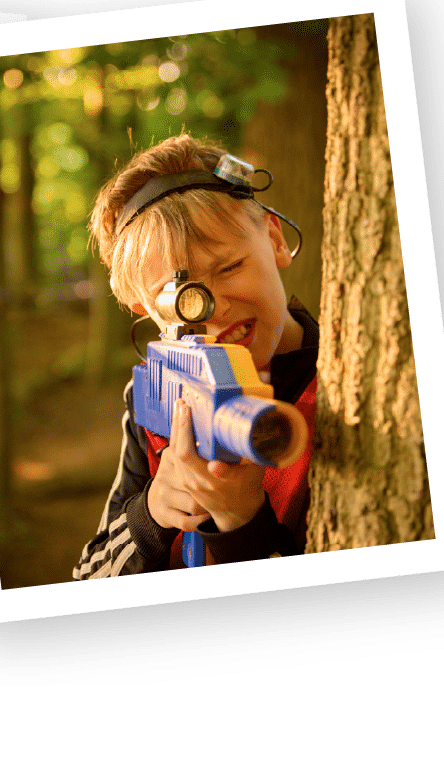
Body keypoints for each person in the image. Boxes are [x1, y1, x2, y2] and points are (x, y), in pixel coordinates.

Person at [73, 134, 319, 578]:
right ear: (146, 309)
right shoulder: (155, 391)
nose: (216, 307)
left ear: (275, 240)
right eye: (179, 299)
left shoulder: (347, 383)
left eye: (229, 267)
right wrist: (151, 513)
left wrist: (242, 524)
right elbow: (86, 578)